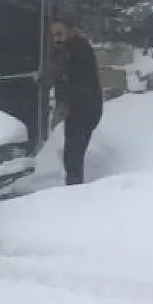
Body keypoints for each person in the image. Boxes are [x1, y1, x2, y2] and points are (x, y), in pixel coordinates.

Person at [49, 16, 103, 185]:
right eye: (53, 34)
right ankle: (73, 188)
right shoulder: (64, 49)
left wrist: (63, 97)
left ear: (70, 31)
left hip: (85, 109)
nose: (56, 37)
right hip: (75, 109)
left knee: (73, 155)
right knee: (71, 155)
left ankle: (74, 194)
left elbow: (81, 83)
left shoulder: (80, 50)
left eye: (60, 32)